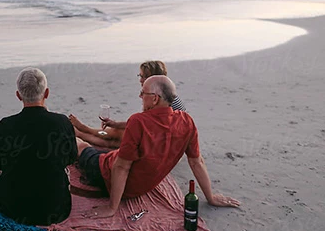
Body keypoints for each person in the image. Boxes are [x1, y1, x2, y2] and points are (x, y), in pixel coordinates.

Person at [76, 75, 240, 219]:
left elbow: (121, 167)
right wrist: (210, 197)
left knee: (81, 146)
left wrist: (112, 208)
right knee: (109, 146)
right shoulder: (186, 121)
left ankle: (75, 134)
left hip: (108, 175)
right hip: (143, 186)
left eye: (143, 93)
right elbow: (197, 162)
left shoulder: (138, 121)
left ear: (154, 99)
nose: (140, 96)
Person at [0, 67, 77, 225]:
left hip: (12, 209)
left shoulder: (5, 125)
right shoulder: (62, 122)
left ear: (18, 95)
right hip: (56, 209)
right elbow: (71, 158)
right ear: (47, 93)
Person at [69, 60, 186, 149]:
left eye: (142, 76)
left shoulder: (156, 99)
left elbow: (141, 124)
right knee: (117, 136)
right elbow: (146, 123)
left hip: (162, 142)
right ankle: (82, 132)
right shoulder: (167, 93)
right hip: (167, 138)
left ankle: (83, 130)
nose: (140, 79)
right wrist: (115, 124)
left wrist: (115, 125)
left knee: (118, 135)